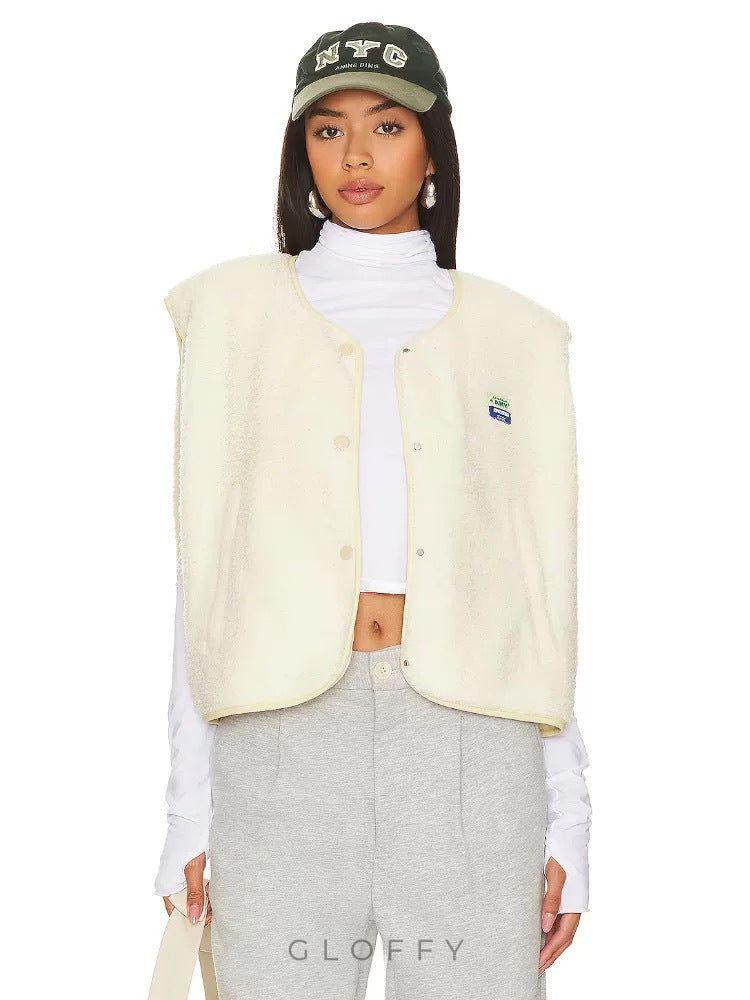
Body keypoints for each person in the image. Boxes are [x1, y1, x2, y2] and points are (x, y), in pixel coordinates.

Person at [154, 21, 591, 999]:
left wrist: (570, 815)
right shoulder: (230, 316)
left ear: (433, 149)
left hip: (475, 749)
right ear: (300, 150)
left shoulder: (517, 336)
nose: (355, 155)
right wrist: (188, 811)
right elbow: (208, 579)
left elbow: (538, 591)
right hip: (279, 746)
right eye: (329, 129)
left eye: (388, 126)